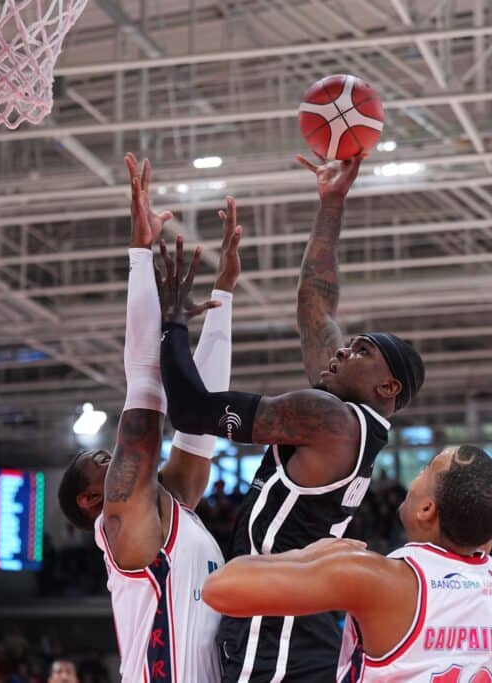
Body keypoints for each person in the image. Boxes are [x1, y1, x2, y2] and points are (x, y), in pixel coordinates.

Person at [159, 155, 426, 681]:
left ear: (388, 386)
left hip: (275, 633)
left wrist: (172, 323)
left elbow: (190, 409)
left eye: (362, 350)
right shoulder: (350, 420)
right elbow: (316, 306)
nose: (344, 349)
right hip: (294, 623)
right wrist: (332, 203)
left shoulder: (329, 419)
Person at [56, 153, 241, 683]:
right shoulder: (121, 524)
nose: (114, 457)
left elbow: (204, 415)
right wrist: (139, 257)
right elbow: (144, 393)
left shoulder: (174, 508)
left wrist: (223, 295)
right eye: (103, 462)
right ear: (93, 501)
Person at [201, 445, 492, 682]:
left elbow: (220, 588)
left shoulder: (381, 579)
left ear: (427, 510)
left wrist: (312, 553)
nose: (416, 475)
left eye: (426, 469)